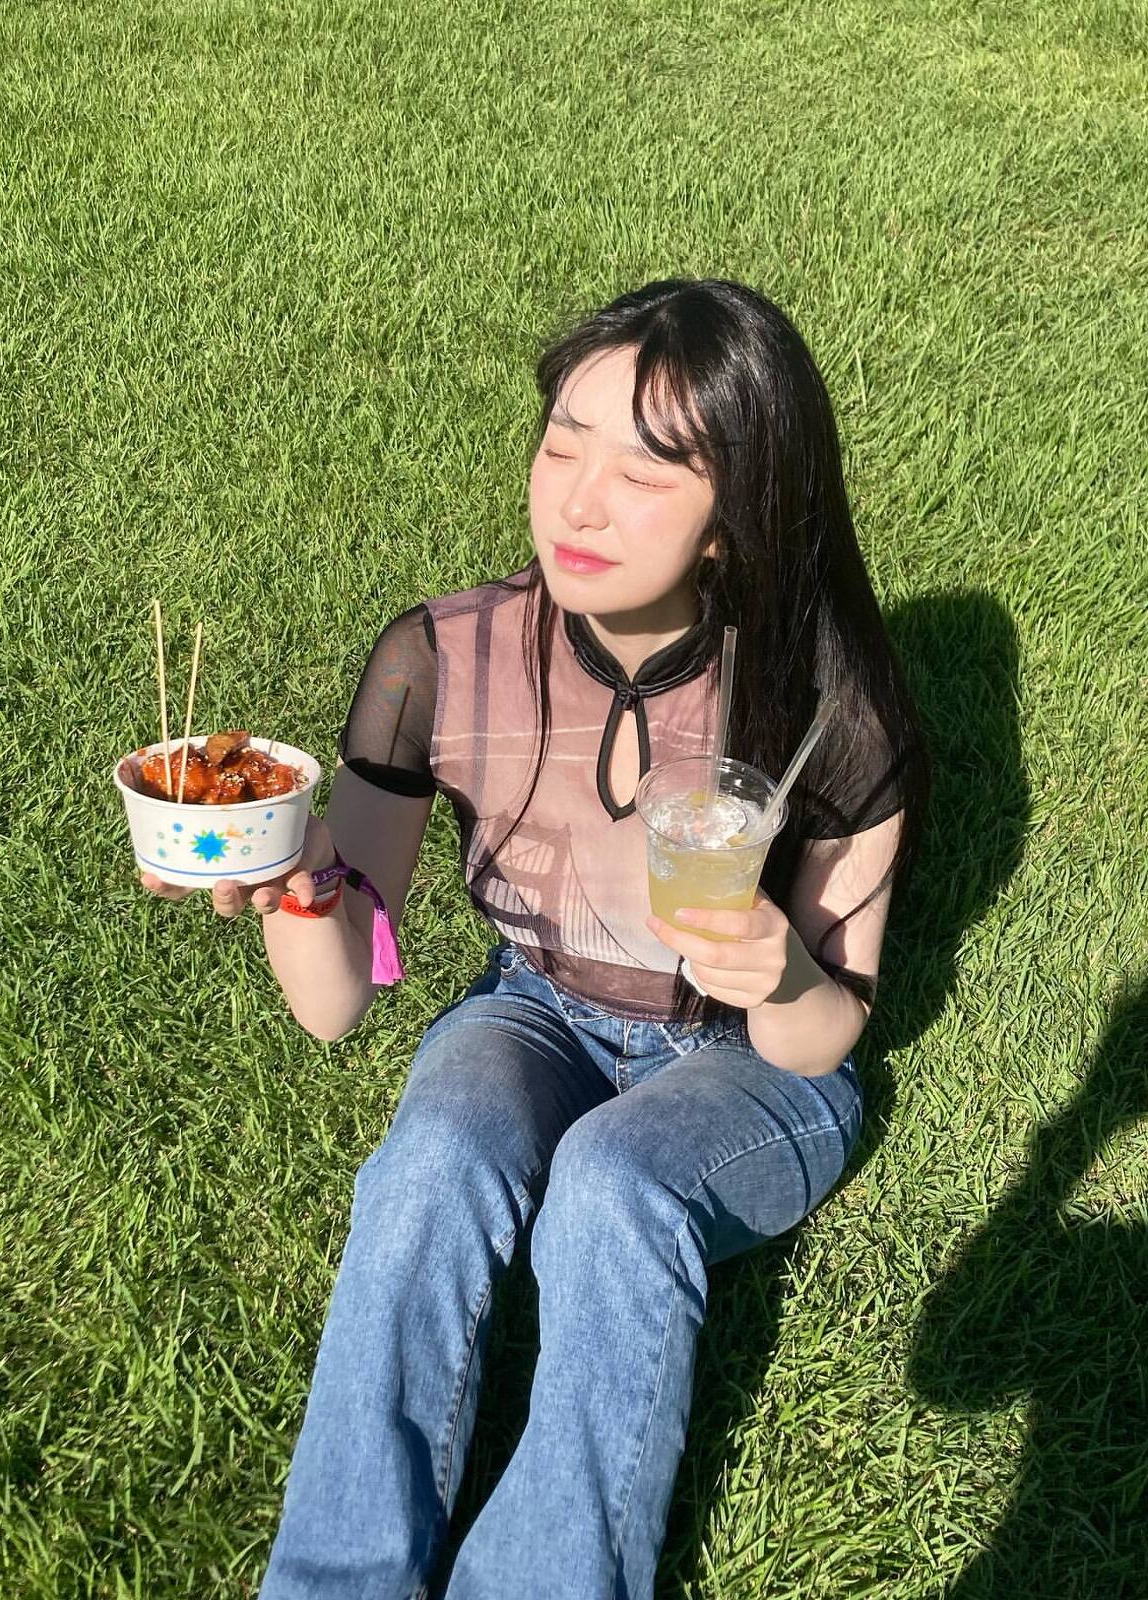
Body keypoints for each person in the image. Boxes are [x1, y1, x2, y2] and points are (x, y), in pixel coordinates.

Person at [142, 278, 930, 1598]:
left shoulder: (826, 704)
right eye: (564, 443)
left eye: (646, 472)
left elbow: (828, 1033)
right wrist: (295, 876)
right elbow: (339, 1003)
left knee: (614, 1187)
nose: (579, 502)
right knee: (431, 1159)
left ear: (736, 517)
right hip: (536, 1007)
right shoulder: (439, 661)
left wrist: (780, 970)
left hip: (750, 1062)